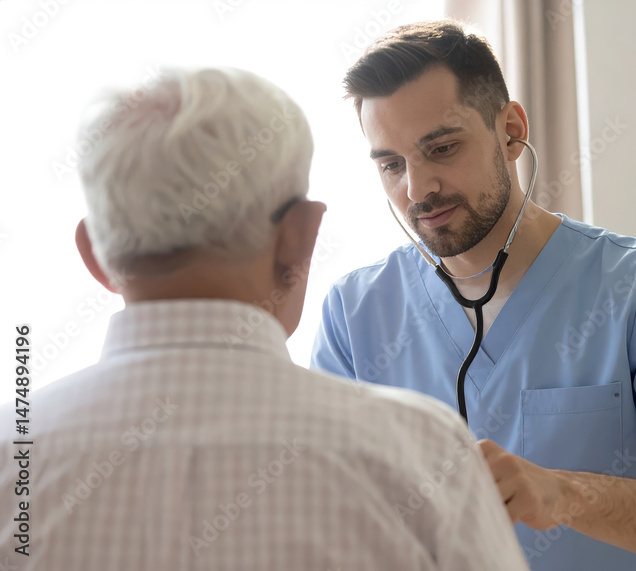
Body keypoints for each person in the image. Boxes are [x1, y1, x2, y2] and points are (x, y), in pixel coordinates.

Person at [0, 67, 529, 571]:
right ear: (300, 236)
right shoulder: (424, 453)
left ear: (94, 255)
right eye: (391, 164)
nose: (417, 189)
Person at [311, 20, 636, 570]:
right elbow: (317, 516)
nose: (417, 188)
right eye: (391, 164)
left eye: (442, 148)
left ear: (510, 130)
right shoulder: (353, 313)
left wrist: (564, 495)